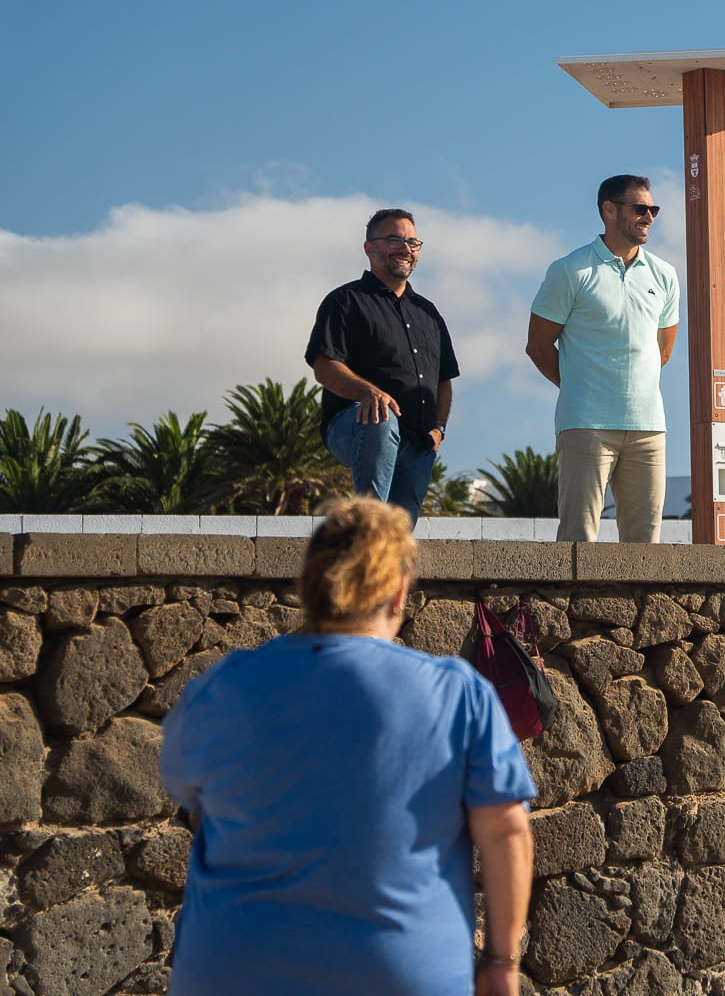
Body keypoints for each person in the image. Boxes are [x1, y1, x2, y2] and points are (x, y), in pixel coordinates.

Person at [161, 496, 536, 995]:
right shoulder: (456, 694)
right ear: (400, 592)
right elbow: (507, 833)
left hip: (233, 972)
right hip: (399, 975)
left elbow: (185, 787)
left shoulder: (223, 686)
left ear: (309, 586)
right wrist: (500, 964)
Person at [527, 174, 680, 542]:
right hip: (586, 425)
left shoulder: (665, 275)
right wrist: (581, 387)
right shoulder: (569, 271)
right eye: (640, 208)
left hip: (649, 429)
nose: (650, 217)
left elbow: (663, 349)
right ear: (609, 210)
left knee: (645, 546)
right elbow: (538, 346)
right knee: (578, 540)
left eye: (653, 209)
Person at [306, 208, 458, 524]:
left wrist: (438, 430)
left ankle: (379, 562)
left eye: (413, 243)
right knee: (381, 416)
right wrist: (368, 392)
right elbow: (324, 366)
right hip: (355, 426)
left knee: (399, 535)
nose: (406, 249)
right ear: (369, 248)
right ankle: (367, 522)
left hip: (418, 441)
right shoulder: (345, 301)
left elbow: (444, 379)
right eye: (394, 239)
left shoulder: (429, 314)